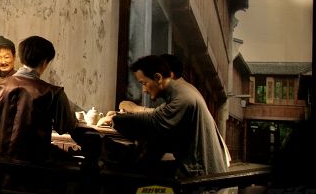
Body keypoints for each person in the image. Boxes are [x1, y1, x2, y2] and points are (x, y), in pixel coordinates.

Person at [0, 35, 96, 194]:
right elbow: (68, 127)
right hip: (32, 171)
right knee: (70, 181)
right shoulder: (51, 92)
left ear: (20, 57)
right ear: (45, 62)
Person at [98, 54, 229, 178]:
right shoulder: (181, 91)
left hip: (200, 174)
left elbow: (155, 122)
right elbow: (158, 114)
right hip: (197, 168)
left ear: (158, 78)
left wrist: (114, 120)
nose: (144, 90)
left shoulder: (183, 97)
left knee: (135, 175)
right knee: (140, 165)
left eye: (144, 83)